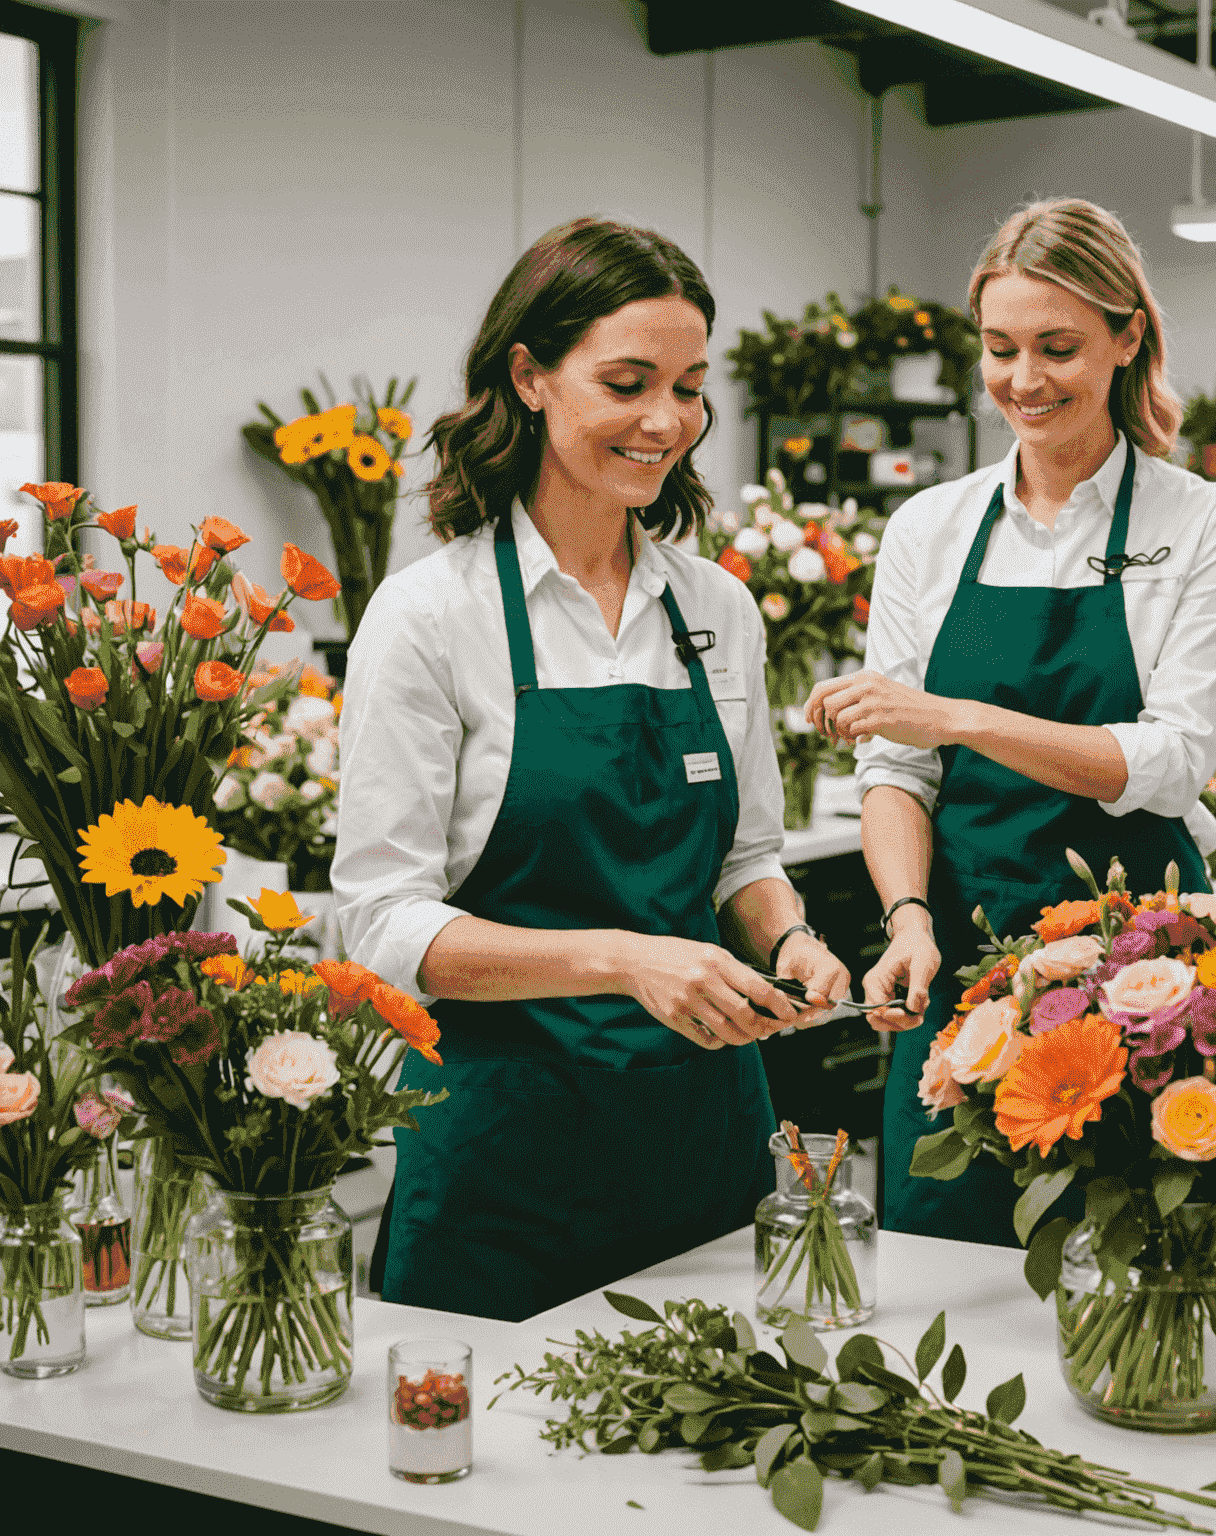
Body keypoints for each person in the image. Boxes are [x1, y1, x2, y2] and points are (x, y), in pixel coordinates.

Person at [334, 218, 850, 1322]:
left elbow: (745, 856)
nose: (668, 420)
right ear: (528, 375)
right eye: (628, 381)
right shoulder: (433, 616)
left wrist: (793, 941)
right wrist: (625, 961)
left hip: (701, 1138)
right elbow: (381, 923)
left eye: (690, 386)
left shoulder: (714, 609)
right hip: (510, 1153)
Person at [805, 198, 1216, 1242]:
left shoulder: (1201, 523)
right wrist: (906, 919)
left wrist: (961, 715)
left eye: (1058, 348)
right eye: (1000, 349)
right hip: (960, 957)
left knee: (1132, 1248)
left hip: (1139, 969)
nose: (1024, 380)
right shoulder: (929, 526)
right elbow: (896, 768)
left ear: (1127, 336)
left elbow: (1171, 762)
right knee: (941, 1250)